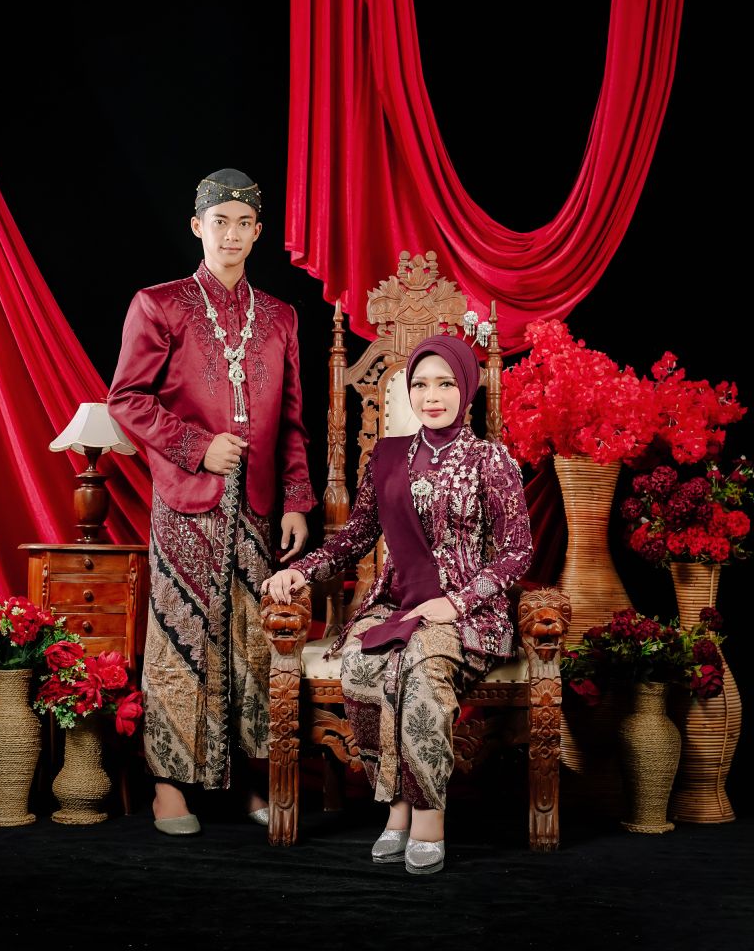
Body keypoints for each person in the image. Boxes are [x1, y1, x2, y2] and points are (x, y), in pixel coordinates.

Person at [262, 334, 532, 875]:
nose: (432, 396)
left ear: (467, 389)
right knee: (362, 664)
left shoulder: (490, 460)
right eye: (421, 385)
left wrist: (458, 602)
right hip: (399, 603)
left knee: (422, 668)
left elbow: (517, 552)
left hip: (467, 613)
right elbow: (356, 535)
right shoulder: (385, 457)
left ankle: (428, 814)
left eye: (446, 384)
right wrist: (300, 570)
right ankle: (397, 804)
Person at [108, 167, 317, 835]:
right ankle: (169, 785)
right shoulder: (159, 305)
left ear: (258, 232)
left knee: (252, 642)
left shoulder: (281, 317)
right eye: (219, 221)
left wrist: (296, 498)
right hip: (185, 502)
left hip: (257, 506)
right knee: (180, 639)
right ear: (197, 226)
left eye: (243, 223)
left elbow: (291, 420)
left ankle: (248, 780)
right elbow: (127, 399)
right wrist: (198, 446)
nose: (231, 234)